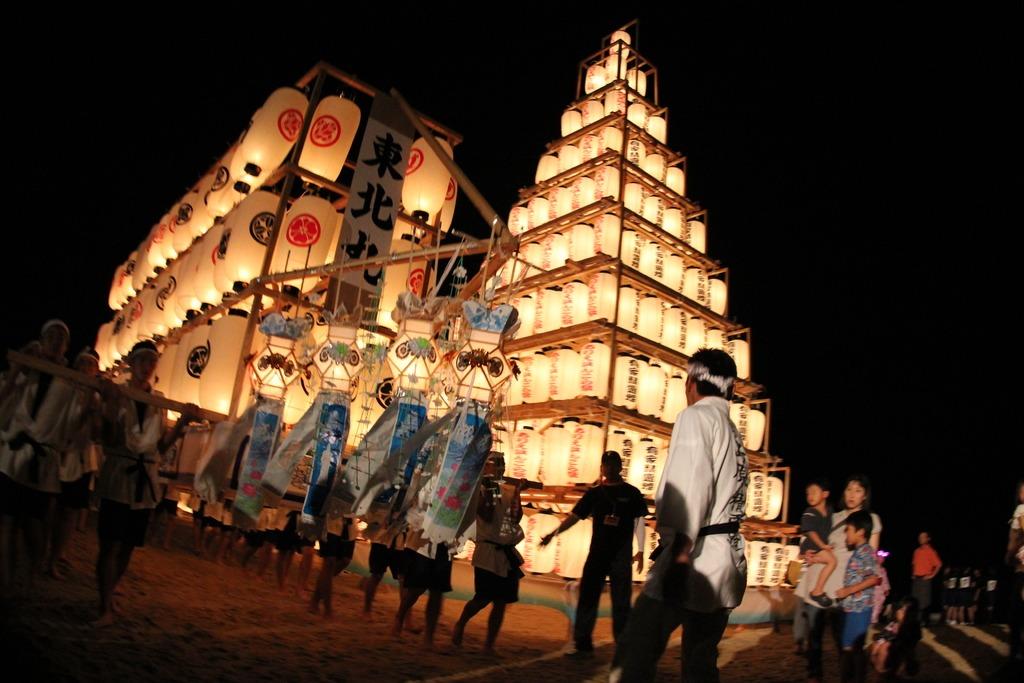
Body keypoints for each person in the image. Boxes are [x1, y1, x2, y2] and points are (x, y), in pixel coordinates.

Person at [611, 348, 748, 682]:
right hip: (727, 560)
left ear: (692, 382)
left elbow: (691, 485)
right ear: (730, 389)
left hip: (693, 557)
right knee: (700, 662)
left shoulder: (696, 416)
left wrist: (680, 556)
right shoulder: (732, 431)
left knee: (636, 648)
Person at [93, 341, 196, 625]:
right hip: (119, 472)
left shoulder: (158, 402)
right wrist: (110, 407)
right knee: (110, 544)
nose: (148, 366)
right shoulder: (117, 392)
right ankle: (104, 605)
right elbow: (108, 439)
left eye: (152, 361)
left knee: (128, 545)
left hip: (145, 478)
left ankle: (111, 593)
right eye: (143, 360)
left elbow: (160, 448)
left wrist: (182, 422)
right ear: (131, 363)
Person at [540, 450, 647, 656]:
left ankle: (623, 645)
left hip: (621, 553)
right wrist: (553, 533)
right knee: (588, 597)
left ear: (620, 467)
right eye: (606, 464)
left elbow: (639, 521)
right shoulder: (594, 494)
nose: (609, 468)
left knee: (621, 601)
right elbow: (574, 517)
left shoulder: (632, 493)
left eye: (613, 464)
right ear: (601, 468)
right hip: (598, 552)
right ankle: (582, 643)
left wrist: (641, 550)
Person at [0, 319, 71, 594]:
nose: (55, 341)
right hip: (12, 456)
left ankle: (31, 575)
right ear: (41, 341)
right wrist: (19, 366)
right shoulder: (24, 370)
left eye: (61, 338)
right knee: (7, 522)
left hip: (43, 460)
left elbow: (72, 426)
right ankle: (6, 580)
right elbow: (3, 399)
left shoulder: (70, 382)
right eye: (50, 335)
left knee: (34, 525)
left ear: (66, 347)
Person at [796, 474, 883, 683]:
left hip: (844, 587)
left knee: (843, 638)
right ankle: (815, 675)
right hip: (818, 579)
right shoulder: (834, 516)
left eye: (858, 490)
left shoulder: (871, 519)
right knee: (814, 635)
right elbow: (812, 539)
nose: (852, 494)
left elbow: (871, 557)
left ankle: (849, 676)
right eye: (849, 489)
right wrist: (807, 552)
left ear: (865, 496)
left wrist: (860, 589)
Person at [452, 455, 525, 653]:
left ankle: (489, 644)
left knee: (501, 603)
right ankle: (461, 623)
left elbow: (515, 518)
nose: (499, 468)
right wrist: (491, 486)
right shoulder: (478, 489)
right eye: (494, 465)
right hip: (487, 552)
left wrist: (518, 492)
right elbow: (487, 514)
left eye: (501, 464)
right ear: (485, 468)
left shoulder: (508, 490)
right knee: (482, 599)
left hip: (506, 552)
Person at [48, 348, 102, 579]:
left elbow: (97, 433)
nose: (86, 369)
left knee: (70, 512)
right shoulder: (63, 388)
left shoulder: (97, 397)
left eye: (91, 365)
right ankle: (45, 552)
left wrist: (93, 410)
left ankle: (57, 556)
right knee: (51, 507)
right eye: (83, 364)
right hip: (59, 453)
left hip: (81, 459)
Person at [834, 510, 882, 683]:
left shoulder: (866, 552)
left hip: (860, 609)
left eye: (848, 529)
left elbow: (873, 579)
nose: (846, 533)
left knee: (853, 648)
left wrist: (847, 591)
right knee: (850, 647)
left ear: (860, 532)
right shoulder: (860, 551)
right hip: (854, 608)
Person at [308, 516, 355, 619]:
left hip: (349, 521)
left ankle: (315, 598)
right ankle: (327, 608)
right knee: (329, 562)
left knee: (345, 560)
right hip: (330, 520)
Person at [801, 477, 838, 607]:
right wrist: (823, 546)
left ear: (825, 494)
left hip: (819, 548)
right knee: (832, 561)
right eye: (808, 493)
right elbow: (811, 531)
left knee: (830, 561)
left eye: (814, 492)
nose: (810, 496)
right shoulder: (809, 512)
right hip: (812, 546)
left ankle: (813, 560)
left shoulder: (830, 511)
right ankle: (817, 590)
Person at [870, 596, 921, 680]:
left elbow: (909, 641)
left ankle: (881, 670)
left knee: (885, 647)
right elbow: (885, 633)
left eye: (903, 611)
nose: (899, 611)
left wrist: (890, 641)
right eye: (899, 609)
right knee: (876, 645)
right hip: (892, 647)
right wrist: (879, 639)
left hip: (902, 650)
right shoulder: (894, 623)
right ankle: (878, 669)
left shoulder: (913, 626)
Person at [1006, 479, 1024, 661]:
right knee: (1016, 610)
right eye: (1022, 492)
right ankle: (1015, 650)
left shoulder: (1021, 510)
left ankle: (1016, 649)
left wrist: (1010, 553)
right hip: (1020, 565)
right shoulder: (1020, 509)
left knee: (1017, 610)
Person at [911, 531, 941, 621]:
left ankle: (923, 621)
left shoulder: (930, 550)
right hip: (916, 578)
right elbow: (914, 563)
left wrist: (931, 575)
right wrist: (913, 574)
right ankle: (916, 620)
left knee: (924, 601)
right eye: (920, 537)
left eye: (923, 537)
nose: (921, 539)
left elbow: (939, 564)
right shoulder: (916, 551)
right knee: (915, 600)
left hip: (925, 578)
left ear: (928, 539)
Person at [873, 550, 891, 624]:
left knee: (878, 607)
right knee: (873, 606)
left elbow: (885, 580)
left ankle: (874, 621)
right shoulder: (873, 567)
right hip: (874, 591)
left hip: (880, 593)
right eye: (880, 557)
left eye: (883, 558)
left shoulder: (883, 570)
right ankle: (872, 620)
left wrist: (886, 589)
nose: (882, 559)